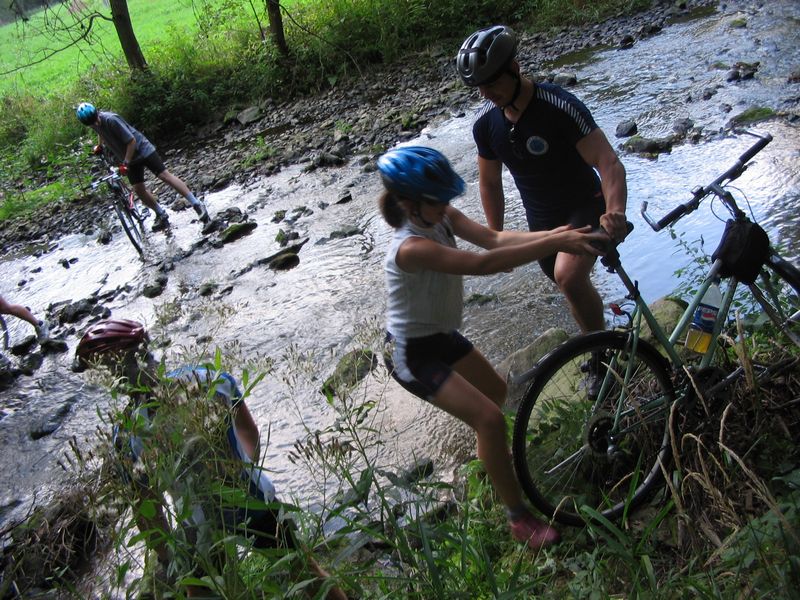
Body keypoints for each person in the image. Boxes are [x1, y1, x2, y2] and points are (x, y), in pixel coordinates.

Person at [377, 146, 606, 550]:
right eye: (438, 199)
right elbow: (485, 264)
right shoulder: (410, 247)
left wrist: (558, 236)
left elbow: (494, 238)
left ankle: (490, 468)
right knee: (489, 419)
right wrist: (560, 241)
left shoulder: (441, 216)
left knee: (498, 395)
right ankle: (519, 518)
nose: (447, 205)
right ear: (409, 204)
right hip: (412, 353)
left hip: (441, 334)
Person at [74, 319, 347, 600]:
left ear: (112, 371)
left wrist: (169, 555)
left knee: (203, 592)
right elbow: (248, 430)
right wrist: (245, 469)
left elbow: (148, 507)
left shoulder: (127, 434)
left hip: (197, 522)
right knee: (306, 572)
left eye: (99, 373)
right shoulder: (210, 380)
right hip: (251, 498)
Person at [456, 25, 629, 336]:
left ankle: (599, 353)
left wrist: (614, 211)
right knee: (569, 287)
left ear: (514, 68)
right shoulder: (485, 124)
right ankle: (601, 344)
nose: (485, 94)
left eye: (492, 83)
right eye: (479, 88)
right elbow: (489, 183)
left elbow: (608, 162)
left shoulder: (559, 106)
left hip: (586, 206)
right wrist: (497, 239)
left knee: (569, 276)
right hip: (542, 221)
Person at [75, 102, 209, 232]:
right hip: (129, 159)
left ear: (96, 112)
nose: (95, 124)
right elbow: (100, 132)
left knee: (164, 176)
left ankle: (196, 204)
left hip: (143, 151)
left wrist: (126, 163)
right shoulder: (93, 122)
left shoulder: (111, 120)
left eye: (94, 120)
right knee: (138, 189)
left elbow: (131, 141)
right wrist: (100, 145)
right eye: (91, 123)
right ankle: (161, 214)